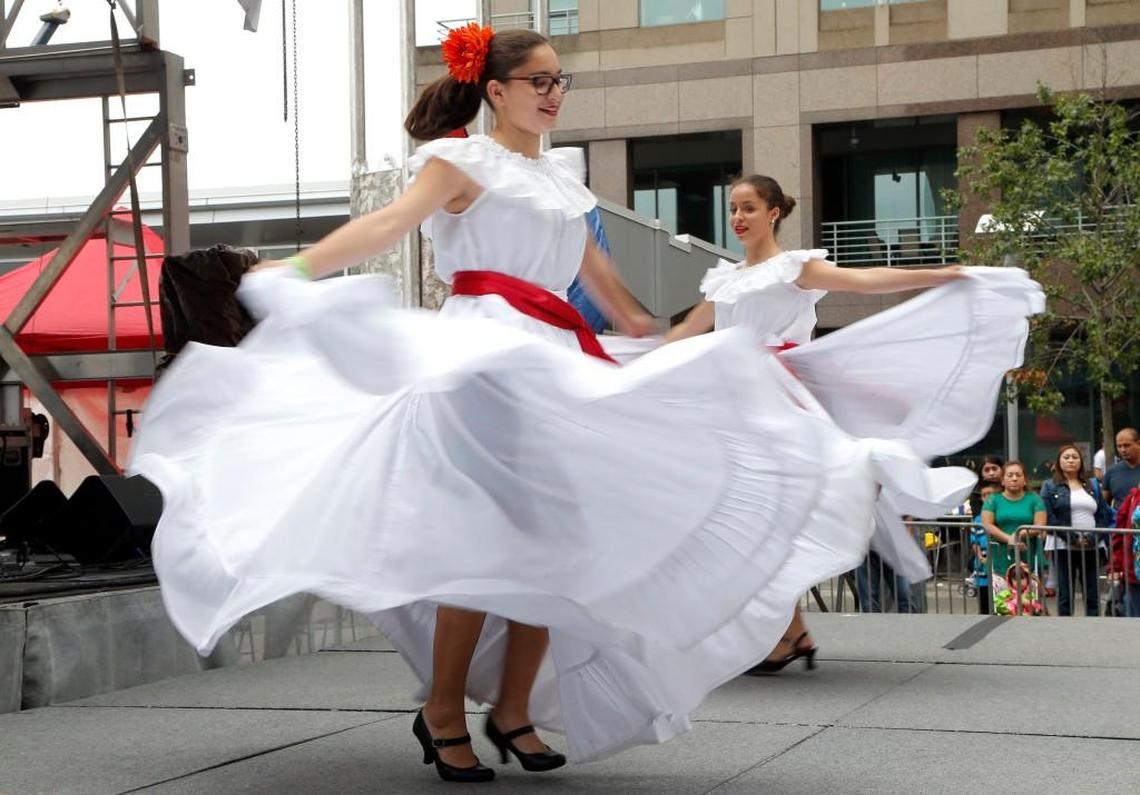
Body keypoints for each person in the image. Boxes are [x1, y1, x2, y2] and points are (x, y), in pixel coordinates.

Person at [126, 26, 984, 781]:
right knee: (487, 540)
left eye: (560, 80)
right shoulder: (461, 160)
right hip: (480, 353)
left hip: (549, 350)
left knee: (559, 538)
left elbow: (609, 294)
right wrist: (301, 269)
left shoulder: (566, 185)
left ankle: (507, 709)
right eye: (539, 80)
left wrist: (661, 345)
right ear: (494, 89)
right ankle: (447, 710)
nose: (554, 93)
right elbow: (386, 226)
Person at [665, 173, 1044, 662]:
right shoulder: (726, 277)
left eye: (748, 208)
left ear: (774, 212)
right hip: (736, 405)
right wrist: (620, 361)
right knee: (738, 519)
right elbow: (687, 330)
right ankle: (792, 630)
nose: (737, 218)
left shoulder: (794, 268)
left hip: (780, 405)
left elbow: (865, 281)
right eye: (733, 209)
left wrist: (942, 273)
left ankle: (789, 631)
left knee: (755, 519)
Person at [1040, 444, 1113, 617]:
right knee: (1065, 593)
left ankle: (1094, 628)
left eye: (1075, 457)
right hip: (1062, 545)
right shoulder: (1049, 486)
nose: (1071, 460)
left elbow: (1104, 514)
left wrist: (1092, 538)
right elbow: (1049, 517)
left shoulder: (1092, 485)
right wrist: (1072, 538)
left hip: (1091, 545)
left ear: (1081, 462)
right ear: (1059, 462)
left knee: (1092, 593)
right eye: (1066, 457)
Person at [981, 461, 1048, 590]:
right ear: (1002, 481)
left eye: (1018, 475)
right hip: (1000, 555)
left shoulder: (1035, 499)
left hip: (1028, 553)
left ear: (1025, 480)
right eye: (1010, 475)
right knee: (1002, 600)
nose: (1014, 478)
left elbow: (1040, 525)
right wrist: (1009, 539)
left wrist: (1019, 534)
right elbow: (987, 525)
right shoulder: (993, 499)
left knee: (1029, 600)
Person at [970, 483, 1002, 614]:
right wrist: (980, 557)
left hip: (998, 562)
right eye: (984, 495)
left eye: (990, 494)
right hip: (983, 565)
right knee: (984, 601)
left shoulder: (1001, 517)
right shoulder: (977, 520)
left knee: (1000, 600)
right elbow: (974, 541)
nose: (987, 497)